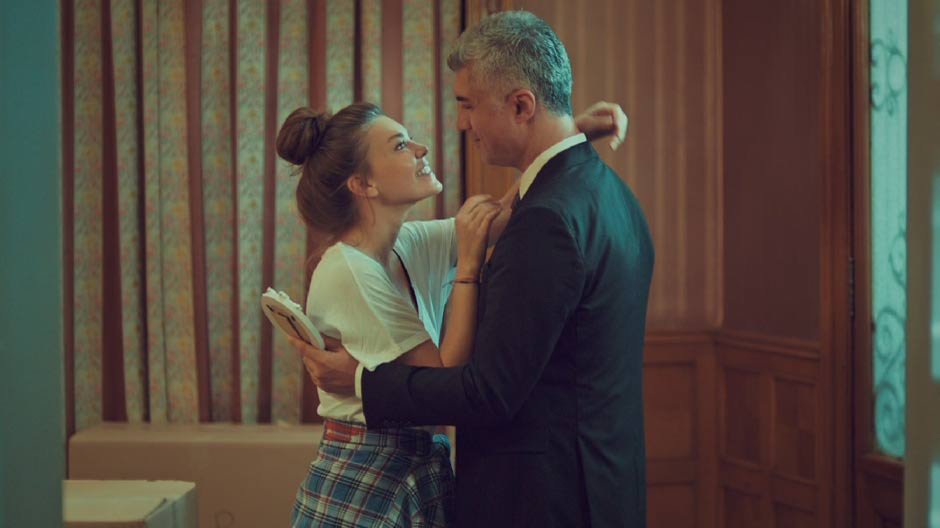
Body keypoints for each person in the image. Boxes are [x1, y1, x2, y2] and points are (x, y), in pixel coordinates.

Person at [295, 10, 654, 528]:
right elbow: (501, 216)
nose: (460, 124)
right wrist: (570, 133)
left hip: (544, 502)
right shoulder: (612, 196)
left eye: (467, 105)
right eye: (401, 144)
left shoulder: (545, 220)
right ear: (363, 185)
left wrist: (360, 380)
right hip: (596, 486)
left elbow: (483, 391)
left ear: (521, 105)